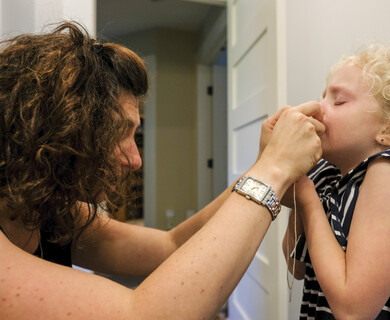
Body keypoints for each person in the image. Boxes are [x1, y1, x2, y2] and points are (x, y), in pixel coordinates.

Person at [0, 21, 325, 319]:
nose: (135, 160)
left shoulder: (53, 214)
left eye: (136, 136)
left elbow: (169, 246)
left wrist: (262, 165)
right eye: (118, 133)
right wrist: (274, 171)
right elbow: (146, 313)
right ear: (60, 125)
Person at [283, 44, 390, 319]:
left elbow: (354, 311)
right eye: (322, 96)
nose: (317, 108)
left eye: (338, 101)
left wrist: (306, 198)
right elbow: (297, 266)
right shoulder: (328, 175)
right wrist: (297, 181)